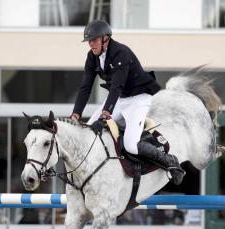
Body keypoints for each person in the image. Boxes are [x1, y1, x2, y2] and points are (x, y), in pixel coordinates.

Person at [70, 19, 184, 185]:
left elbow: (117, 86)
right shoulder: (92, 57)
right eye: (89, 41)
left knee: (131, 145)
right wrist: (76, 114)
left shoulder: (120, 52)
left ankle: (169, 160)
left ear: (105, 38)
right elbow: (85, 87)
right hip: (120, 98)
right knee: (89, 133)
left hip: (138, 98)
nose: (90, 44)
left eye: (93, 40)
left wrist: (106, 112)